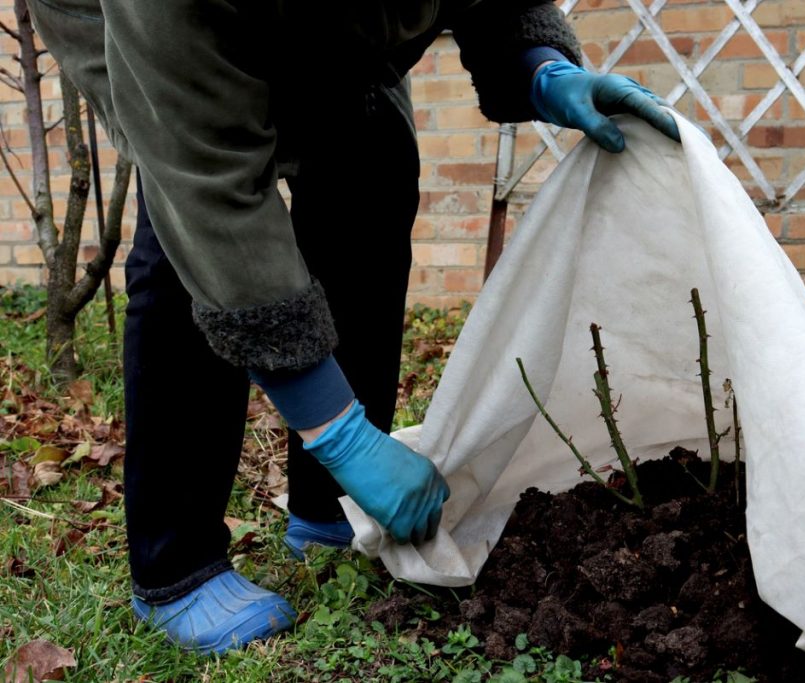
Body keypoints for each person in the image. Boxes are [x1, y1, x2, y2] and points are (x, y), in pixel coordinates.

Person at [26, 0, 681, 654]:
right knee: (184, 240)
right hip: (136, 21)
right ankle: (175, 565)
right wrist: (340, 433)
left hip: (327, 25)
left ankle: (327, 510)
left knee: (373, 159)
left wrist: (537, 64)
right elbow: (209, 192)